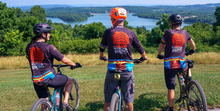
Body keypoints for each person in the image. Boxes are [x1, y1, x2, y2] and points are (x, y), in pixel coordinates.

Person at [99, 7, 147, 111]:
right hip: (127, 70)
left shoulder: (108, 32)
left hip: (112, 70)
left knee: (107, 101)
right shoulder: (131, 33)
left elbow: (102, 48)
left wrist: (102, 56)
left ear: (113, 19)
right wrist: (144, 57)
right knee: (129, 100)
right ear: (123, 19)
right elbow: (140, 49)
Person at [26, 23, 82, 111]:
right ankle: (66, 102)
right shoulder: (49, 47)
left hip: (36, 80)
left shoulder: (29, 47)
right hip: (50, 78)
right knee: (70, 81)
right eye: (48, 32)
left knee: (45, 101)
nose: (50, 34)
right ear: (43, 34)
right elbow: (64, 60)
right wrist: (75, 64)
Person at [157, 14, 196, 111]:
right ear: (180, 23)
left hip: (170, 65)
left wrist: (159, 54)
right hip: (181, 63)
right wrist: (192, 50)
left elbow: (162, 45)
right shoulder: (185, 33)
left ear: (171, 24)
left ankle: (170, 108)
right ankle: (190, 81)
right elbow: (192, 43)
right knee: (186, 64)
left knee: (171, 88)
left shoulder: (167, 33)